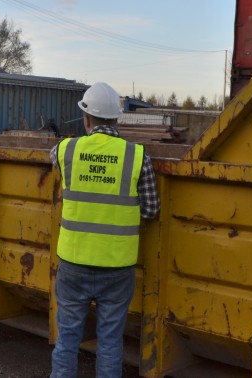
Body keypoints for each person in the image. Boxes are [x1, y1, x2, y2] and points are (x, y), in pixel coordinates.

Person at [49, 82, 160, 377]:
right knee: (110, 342)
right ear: (117, 118)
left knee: (67, 339)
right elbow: (151, 210)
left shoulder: (67, 149)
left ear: (86, 119)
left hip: (73, 264)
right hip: (117, 267)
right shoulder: (137, 156)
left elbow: (53, 156)